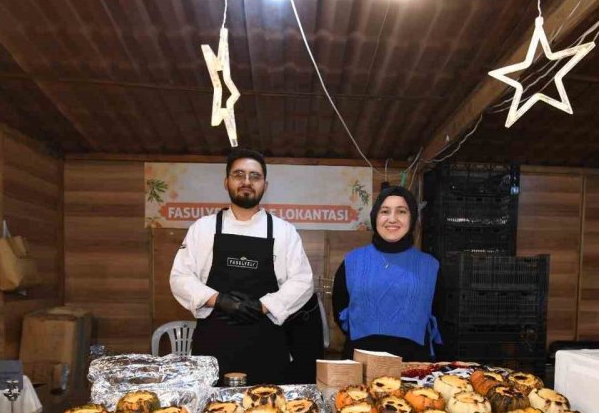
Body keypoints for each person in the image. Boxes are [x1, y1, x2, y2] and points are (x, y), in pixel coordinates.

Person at [170, 148, 313, 384]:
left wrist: (263, 306)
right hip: (212, 349)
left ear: (265, 185)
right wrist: (220, 301)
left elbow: (303, 281)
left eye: (255, 176)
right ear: (226, 182)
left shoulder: (284, 231)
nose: (247, 181)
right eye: (239, 174)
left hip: (267, 349)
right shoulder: (203, 228)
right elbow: (180, 277)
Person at [332, 185, 442, 361]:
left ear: (412, 218)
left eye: (401, 212)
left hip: (414, 367)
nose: (392, 219)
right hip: (361, 364)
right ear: (375, 217)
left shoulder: (430, 266)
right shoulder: (352, 261)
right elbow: (340, 310)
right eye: (385, 211)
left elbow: (439, 314)